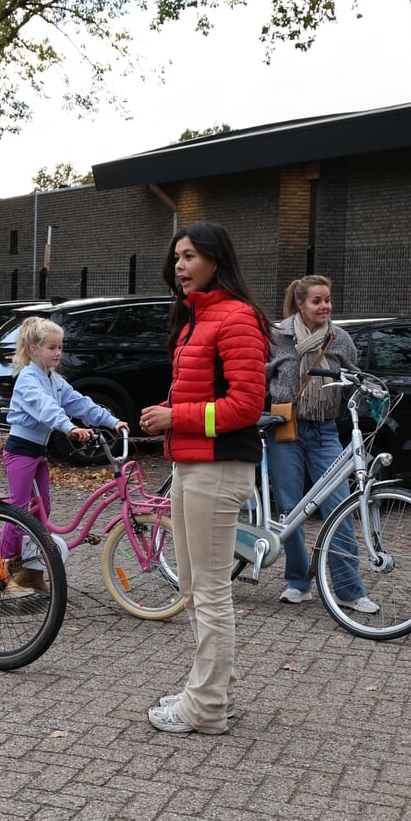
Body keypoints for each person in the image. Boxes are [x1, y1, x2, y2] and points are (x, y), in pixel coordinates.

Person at [137, 223, 268, 735]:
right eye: (176, 258)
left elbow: (246, 405)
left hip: (217, 468)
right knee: (194, 586)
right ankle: (210, 688)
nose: (180, 266)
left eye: (189, 256)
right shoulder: (198, 318)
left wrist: (178, 417)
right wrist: (171, 410)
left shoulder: (235, 318)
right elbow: (207, 394)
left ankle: (206, 707)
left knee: (209, 590)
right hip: (192, 465)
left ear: (217, 259)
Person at [266, 275, 372, 610]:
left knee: (338, 507)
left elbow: (354, 375)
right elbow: (259, 377)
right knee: (290, 508)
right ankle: (298, 582)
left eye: (327, 299)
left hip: (325, 431)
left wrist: (366, 390)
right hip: (285, 429)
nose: (324, 306)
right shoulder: (277, 336)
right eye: (317, 301)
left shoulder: (339, 339)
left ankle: (349, 590)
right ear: (300, 304)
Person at [0, 316, 125, 590]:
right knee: (19, 509)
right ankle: (2, 565)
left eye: (60, 347)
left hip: (37, 453)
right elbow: (46, 408)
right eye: (52, 348)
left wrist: (111, 421)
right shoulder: (27, 379)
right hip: (20, 451)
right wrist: (69, 428)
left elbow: (80, 403)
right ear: (34, 350)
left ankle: (31, 572)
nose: (58, 353)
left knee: (42, 508)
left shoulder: (54, 381)